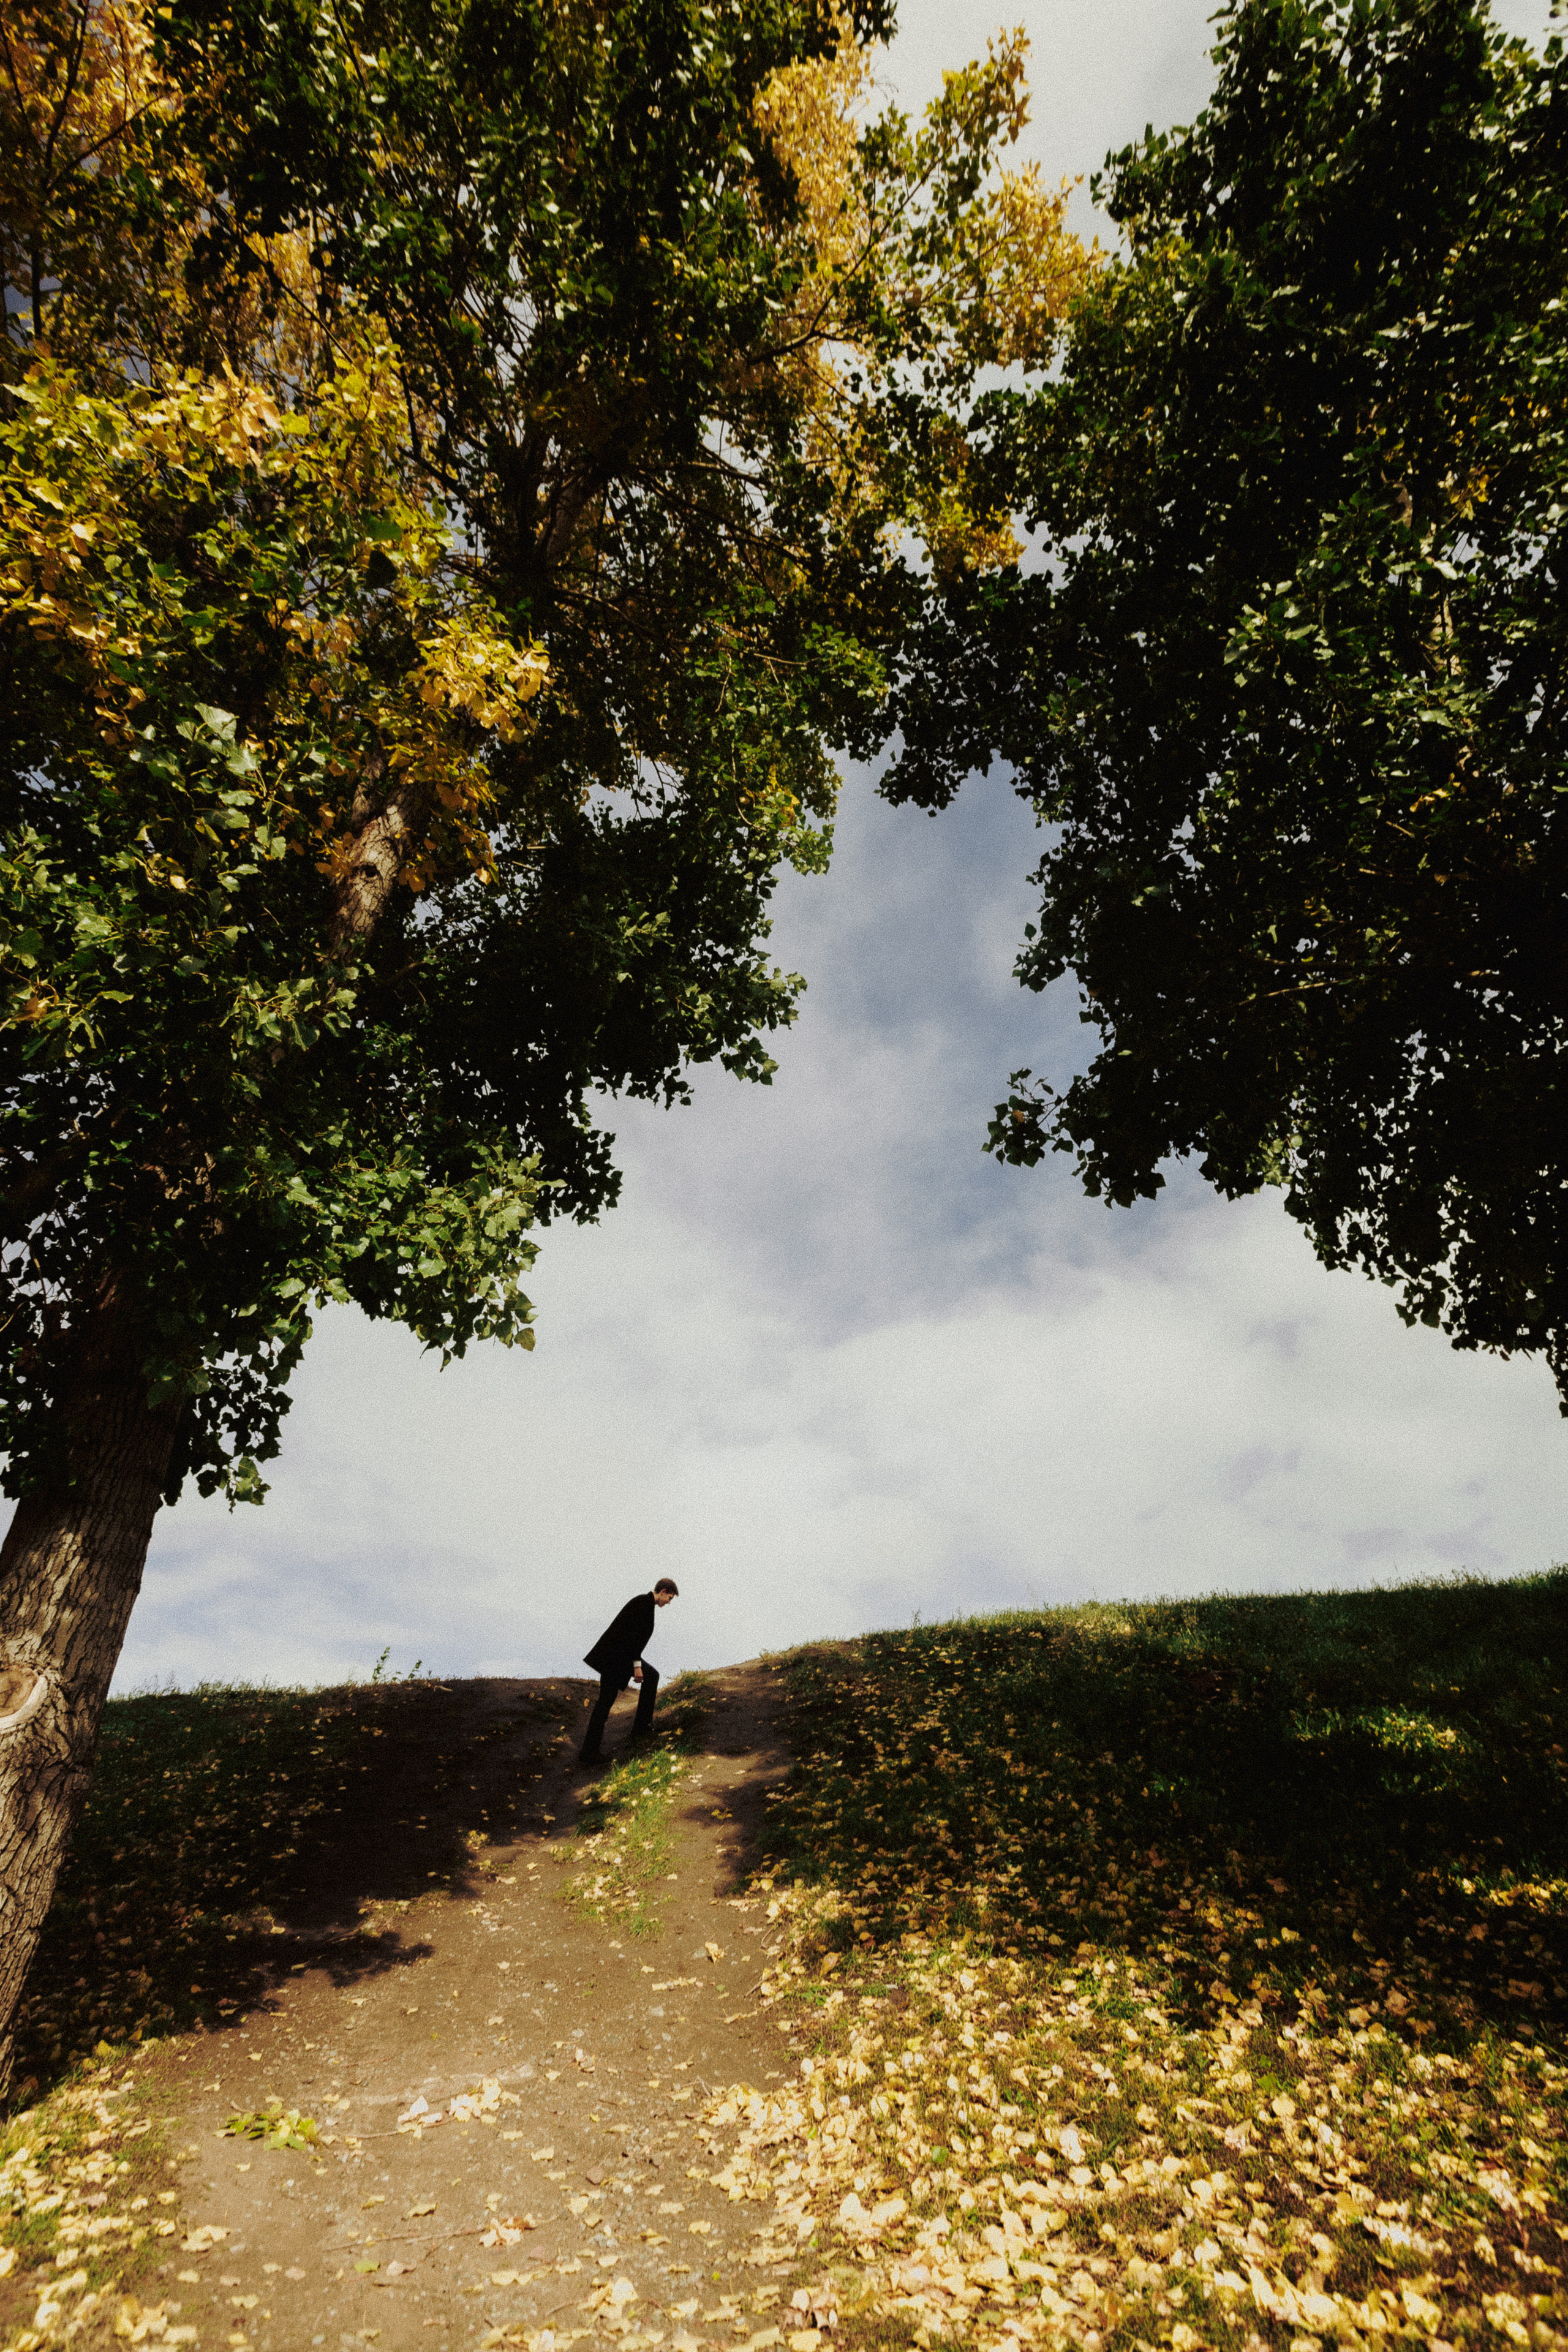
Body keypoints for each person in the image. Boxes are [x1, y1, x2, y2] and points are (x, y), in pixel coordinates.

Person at [579, 1579, 679, 1763]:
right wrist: (637, 1665)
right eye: (670, 1598)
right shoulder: (643, 1604)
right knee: (605, 1703)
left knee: (607, 1701)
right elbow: (631, 1637)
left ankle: (640, 1728)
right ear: (663, 1591)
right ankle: (590, 1752)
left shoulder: (645, 1604)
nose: (669, 1603)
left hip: (617, 1659)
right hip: (614, 1660)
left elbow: (634, 1639)